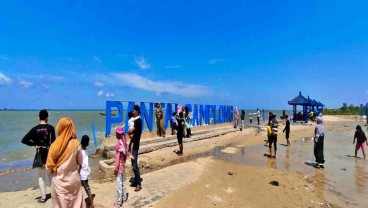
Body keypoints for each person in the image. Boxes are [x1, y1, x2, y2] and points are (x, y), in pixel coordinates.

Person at [46, 118, 85, 208]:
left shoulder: (54, 146)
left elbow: (49, 169)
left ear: (60, 128)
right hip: (73, 181)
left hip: (59, 183)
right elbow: (80, 162)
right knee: (76, 202)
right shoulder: (76, 144)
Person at [21, 109, 56, 203]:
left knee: (41, 177)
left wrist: (34, 143)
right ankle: (54, 195)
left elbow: (24, 140)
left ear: (39, 117)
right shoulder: (51, 128)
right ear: (47, 117)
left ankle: (43, 197)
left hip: (40, 154)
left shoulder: (34, 129)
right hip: (49, 154)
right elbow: (54, 143)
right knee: (51, 176)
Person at [128, 105, 143, 192]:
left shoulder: (138, 120)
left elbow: (130, 131)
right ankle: (136, 181)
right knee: (133, 164)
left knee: (135, 165)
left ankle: (138, 184)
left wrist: (128, 133)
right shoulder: (136, 120)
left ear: (137, 111)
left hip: (135, 145)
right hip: (133, 143)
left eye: (134, 110)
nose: (133, 112)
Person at [114, 126, 128, 207]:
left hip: (119, 167)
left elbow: (117, 158)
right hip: (123, 166)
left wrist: (115, 168)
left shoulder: (118, 145)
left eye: (116, 132)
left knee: (119, 184)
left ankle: (119, 202)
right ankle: (124, 197)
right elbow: (124, 157)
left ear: (118, 134)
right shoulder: (124, 143)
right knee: (123, 182)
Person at [80, 135, 94, 208]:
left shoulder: (79, 152)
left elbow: (79, 164)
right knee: (87, 188)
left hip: (81, 174)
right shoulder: (87, 151)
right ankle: (90, 202)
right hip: (86, 173)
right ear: (88, 143)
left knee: (83, 189)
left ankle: (91, 203)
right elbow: (92, 154)